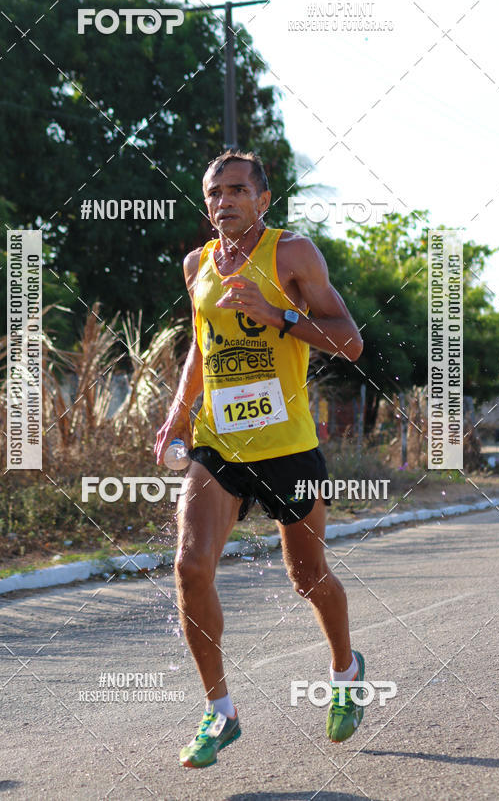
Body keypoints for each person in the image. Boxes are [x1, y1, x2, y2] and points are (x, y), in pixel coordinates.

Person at [155, 150, 365, 769]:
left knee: (308, 578)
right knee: (191, 566)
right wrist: (177, 411)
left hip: (289, 448)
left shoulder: (293, 254)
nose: (223, 202)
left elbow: (349, 342)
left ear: (263, 199)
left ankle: (346, 670)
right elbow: (202, 345)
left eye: (237, 190)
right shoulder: (197, 265)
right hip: (220, 445)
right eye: (214, 192)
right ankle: (220, 713)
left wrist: (278, 315)